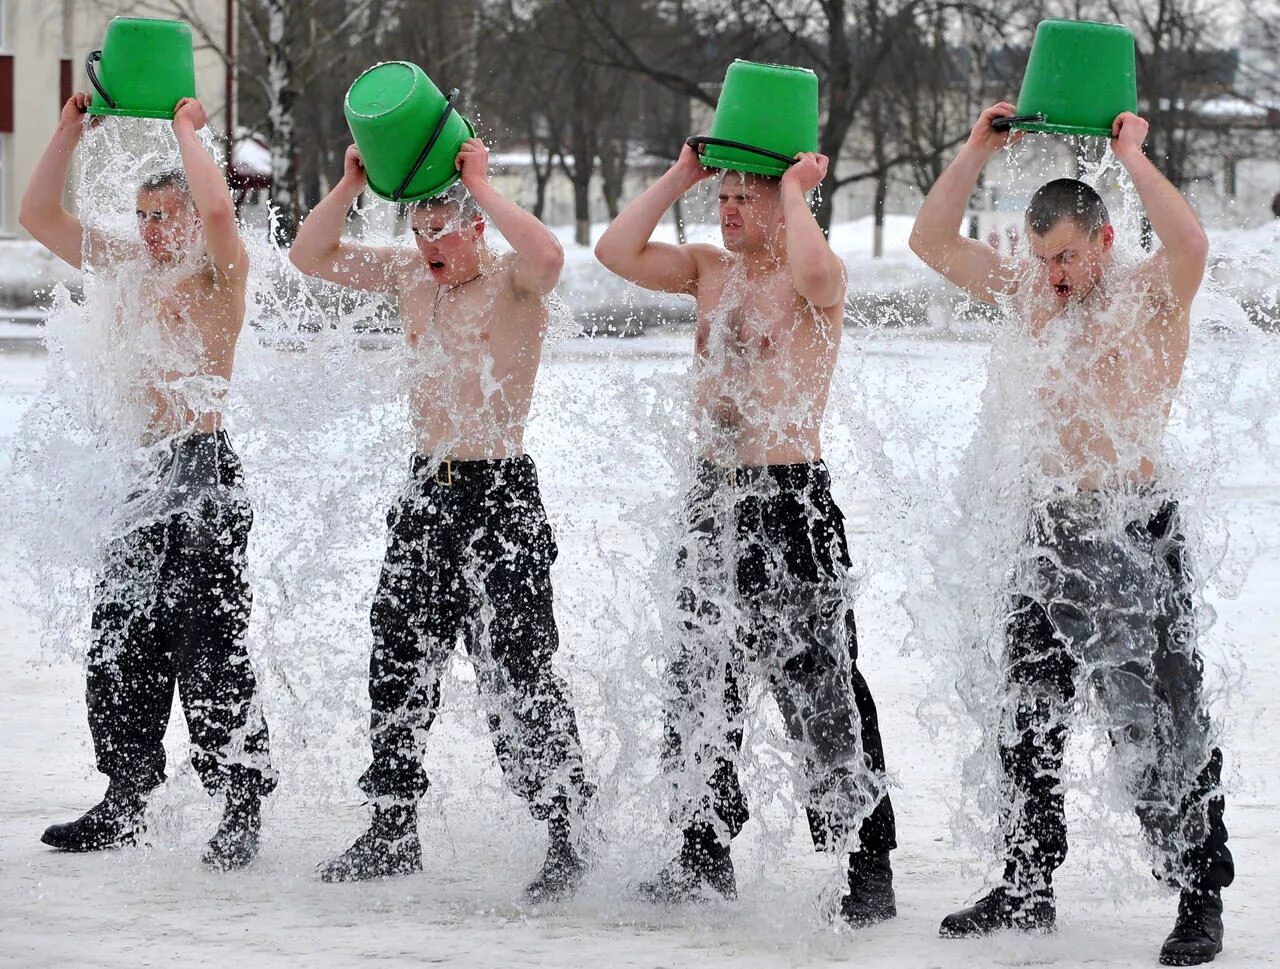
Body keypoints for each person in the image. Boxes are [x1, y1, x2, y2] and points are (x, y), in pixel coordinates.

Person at [909, 103, 1234, 965]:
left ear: (1103, 241)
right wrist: (977, 148)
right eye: (1040, 254)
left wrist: (1133, 156)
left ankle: (1198, 893)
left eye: (1065, 257)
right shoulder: (1025, 291)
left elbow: (1195, 245)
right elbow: (931, 243)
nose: (1051, 275)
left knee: (1157, 722)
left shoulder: (1150, 295)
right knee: (1028, 714)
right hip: (1049, 531)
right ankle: (1026, 881)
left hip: (1133, 530)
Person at [594, 144, 897, 925]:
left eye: (742, 199)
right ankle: (702, 852)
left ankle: (866, 860)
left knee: (824, 684)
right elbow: (613, 251)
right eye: (721, 197)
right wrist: (681, 177)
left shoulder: (807, 278)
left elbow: (825, 276)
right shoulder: (706, 270)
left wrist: (795, 191)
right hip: (713, 497)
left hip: (791, 498)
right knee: (698, 678)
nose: (727, 211)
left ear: (781, 204)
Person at [289, 137, 595, 901]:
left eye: (443, 230)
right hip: (427, 486)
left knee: (518, 664)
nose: (428, 245)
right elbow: (309, 253)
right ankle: (393, 824)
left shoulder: (514, 282)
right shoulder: (407, 277)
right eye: (419, 230)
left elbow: (551, 251)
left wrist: (480, 185)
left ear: (476, 229)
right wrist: (351, 180)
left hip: (499, 489)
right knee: (396, 652)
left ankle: (567, 827)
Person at [19, 94, 276, 870]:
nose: (150, 229)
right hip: (137, 473)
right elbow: (37, 214)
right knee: (120, 640)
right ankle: (125, 793)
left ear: (193, 217)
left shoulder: (218, 270)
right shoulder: (126, 267)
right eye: (142, 214)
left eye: (165, 215)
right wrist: (68, 130)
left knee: (209, 644)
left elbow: (224, 218)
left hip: (201, 468)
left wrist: (185, 133)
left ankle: (239, 802)